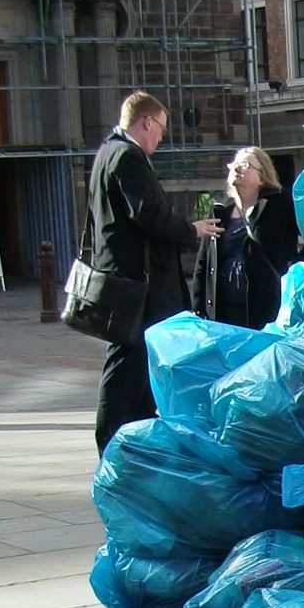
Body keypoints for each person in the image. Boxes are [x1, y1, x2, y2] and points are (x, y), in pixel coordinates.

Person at [89, 91, 220, 448]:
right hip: (137, 284)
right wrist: (190, 230)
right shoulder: (127, 156)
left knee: (137, 364)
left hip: (125, 278)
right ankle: (116, 442)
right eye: (160, 129)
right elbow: (148, 214)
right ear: (146, 122)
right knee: (128, 365)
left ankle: (135, 439)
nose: (161, 138)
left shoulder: (107, 153)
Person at [198, 146, 303, 330]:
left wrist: (295, 270)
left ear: (262, 177)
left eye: (245, 165)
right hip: (224, 314)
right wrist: (198, 309)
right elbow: (203, 263)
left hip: (265, 311)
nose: (237, 168)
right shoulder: (220, 212)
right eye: (234, 164)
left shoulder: (279, 205)